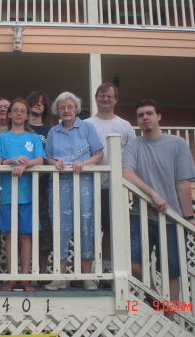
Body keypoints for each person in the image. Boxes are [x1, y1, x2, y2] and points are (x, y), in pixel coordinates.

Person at [122, 99, 195, 319]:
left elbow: (183, 182)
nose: (145, 118)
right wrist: (153, 194)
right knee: (133, 262)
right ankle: (156, 300)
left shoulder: (177, 143)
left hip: (173, 218)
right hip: (142, 214)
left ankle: (170, 320)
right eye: (140, 115)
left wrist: (189, 217)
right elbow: (126, 173)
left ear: (159, 116)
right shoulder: (134, 145)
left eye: (149, 113)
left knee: (171, 272)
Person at [44, 92, 104, 291]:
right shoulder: (53, 132)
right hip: (60, 183)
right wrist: (56, 162)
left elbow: (98, 154)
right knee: (60, 227)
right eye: (62, 108)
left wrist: (83, 162)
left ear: (76, 109)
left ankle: (86, 277)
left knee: (86, 225)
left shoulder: (87, 127)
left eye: (70, 107)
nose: (66, 111)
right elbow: (49, 158)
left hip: (84, 182)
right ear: (57, 111)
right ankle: (59, 277)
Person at [0, 98, 45, 292]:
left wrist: (24, 164)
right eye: (15, 110)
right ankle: (12, 278)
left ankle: (25, 278)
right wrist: (11, 160)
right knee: (11, 235)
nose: (19, 113)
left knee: (25, 236)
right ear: (10, 114)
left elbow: (40, 159)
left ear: (27, 115)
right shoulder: (1, 138)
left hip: (28, 193)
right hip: (7, 194)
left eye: (23, 110)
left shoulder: (34, 138)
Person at [85, 83, 136, 284]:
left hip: (114, 187)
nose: (105, 99)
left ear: (116, 100)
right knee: (87, 228)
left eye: (109, 96)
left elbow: (132, 154)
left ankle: (106, 267)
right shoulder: (87, 124)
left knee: (110, 228)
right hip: (88, 184)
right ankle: (86, 271)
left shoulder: (124, 125)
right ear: (96, 97)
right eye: (102, 95)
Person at [26, 90, 52, 285]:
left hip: (45, 188)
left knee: (44, 231)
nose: (38, 104)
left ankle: (43, 273)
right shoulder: (22, 130)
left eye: (42, 102)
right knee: (23, 232)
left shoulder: (50, 131)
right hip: (23, 186)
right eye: (35, 101)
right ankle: (23, 273)